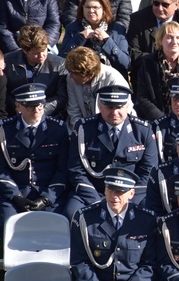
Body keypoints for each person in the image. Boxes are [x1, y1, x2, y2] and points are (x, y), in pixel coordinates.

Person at [65, 85, 157, 217]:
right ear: (100, 106)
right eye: (109, 107)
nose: (114, 113)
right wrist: (96, 201)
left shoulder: (143, 130)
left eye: (119, 107)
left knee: (147, 214)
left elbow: (148, 172)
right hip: (95, 191)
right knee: (73, 212)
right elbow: (76, 170)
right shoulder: (84, 129)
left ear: (127, 107)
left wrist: (127, 199)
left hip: (129, 194)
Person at [0, 83, 69, 227]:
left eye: (40, 105)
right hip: (16, 191)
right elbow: (2, 170)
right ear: (18, 106)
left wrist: (46, 199)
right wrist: (16, 196)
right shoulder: (4, 130)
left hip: (49, 191)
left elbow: (62, 170)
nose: (36, 110)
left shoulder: (58, 129)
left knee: (53, 225)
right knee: (9, 224)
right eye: (30, 106)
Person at [135, 22, 179, 122]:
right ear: (160, 40)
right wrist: (162, 120)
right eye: (169, 37)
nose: (174, 41)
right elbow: (143, 97)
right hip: (156, 120)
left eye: (178, 37)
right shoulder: (148, 63)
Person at [59, 0, 131, 78]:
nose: (91, 11)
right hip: (80, 79)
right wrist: (79, 38)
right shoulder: (73, 28)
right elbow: (62, 59)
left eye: (95, 7)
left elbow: (125, 63)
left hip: (111, 79)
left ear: (104, 9)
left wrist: (107, 41)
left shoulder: (117, 29)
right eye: (87, 7)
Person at [3, 25, 67, 119]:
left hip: (49, 117)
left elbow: (61, 97)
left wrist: (38, 111)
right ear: (25, 51)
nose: (41, 56)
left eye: (44, 50)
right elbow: (3, 92)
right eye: (36, 53)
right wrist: (18, 107)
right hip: (14, 115)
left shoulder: (59, 65)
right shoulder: (8, 62)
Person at [65, 46, 129, 132]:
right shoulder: (71, 79)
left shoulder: (114, 80)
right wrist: (81, 132)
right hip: (83, 128)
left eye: (74, 73)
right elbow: (74, 111)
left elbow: (121, 114)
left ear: (89, 74)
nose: (70, 75)